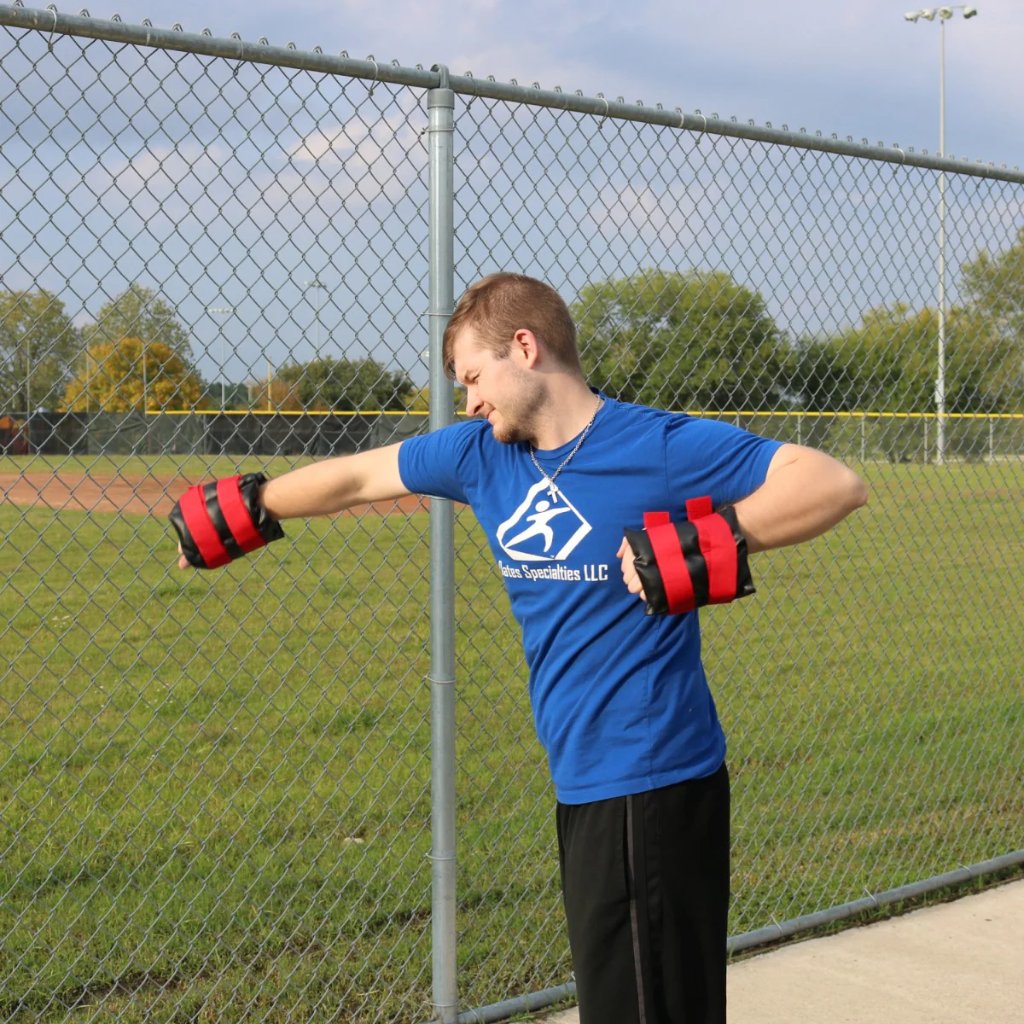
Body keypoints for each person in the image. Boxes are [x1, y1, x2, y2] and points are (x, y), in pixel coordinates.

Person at [172, 272, 868, 1024]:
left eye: (474, 376)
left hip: (651, 777)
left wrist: (712, 541)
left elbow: (832, 481)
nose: (469, 400)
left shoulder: (657, 445)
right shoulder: (482, 457)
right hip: (584, 780)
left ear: (526, 348)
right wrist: (242, 512)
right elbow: (356, 477)